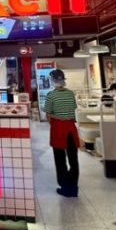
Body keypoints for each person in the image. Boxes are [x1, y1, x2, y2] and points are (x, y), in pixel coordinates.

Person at [43, 69, 79, 198]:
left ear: (52, 81)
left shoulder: (51, 95)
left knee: (60, 159)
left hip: (58, 128)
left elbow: (48, 115)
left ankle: (65, 186)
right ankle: (73, 187)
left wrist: (54, 118)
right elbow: (73, 109)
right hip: (71, 128)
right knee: (73, 159)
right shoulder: (70, 93)